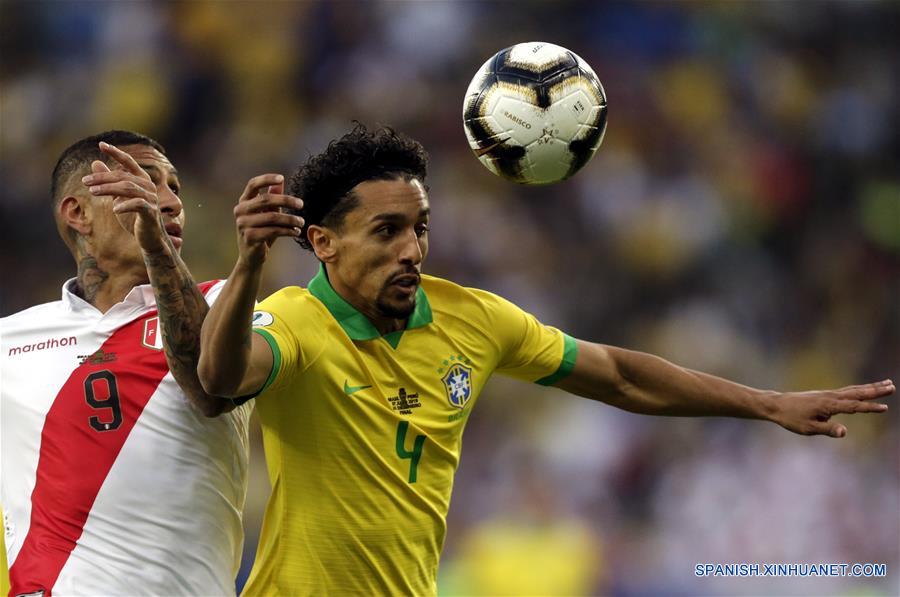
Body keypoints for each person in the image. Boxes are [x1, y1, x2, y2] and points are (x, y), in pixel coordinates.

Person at [197, 124, 894, 596]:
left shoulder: (474, 319)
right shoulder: (294, 318)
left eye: (420, 227)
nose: (411, 249)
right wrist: (250, 262)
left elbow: (619, 375)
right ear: (323, 241)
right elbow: (221, 379)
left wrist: (767, 402)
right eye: (387, 230)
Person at [0, 130, 261, 595]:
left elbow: (210, 388)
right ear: (77, 213)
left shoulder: (222, 306)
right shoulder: (8, 342)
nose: (167, 202)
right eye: (141, 182)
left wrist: (156, 246)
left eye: (174, 188)